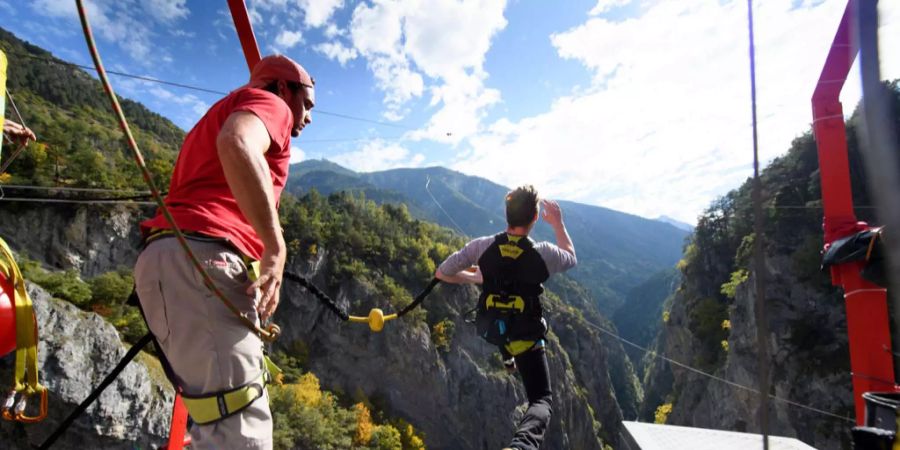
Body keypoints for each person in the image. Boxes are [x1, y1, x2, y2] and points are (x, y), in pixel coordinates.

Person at [133, 55, 314, 450]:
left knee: (212, 423)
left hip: (162, 263)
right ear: (285, 88)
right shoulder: (271, 104)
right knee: (241, 432)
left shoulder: (217, 112)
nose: (309, 116)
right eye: (308, 102)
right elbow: (236, 142)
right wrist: (274, 244)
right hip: (205, 262)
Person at [435, 185, 576, 450]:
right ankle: (520, 446)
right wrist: (558, 224)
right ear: (535, 218)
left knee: (503, 326)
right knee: (541, 401)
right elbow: (571, 257)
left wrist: (475, 276)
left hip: (494, 328)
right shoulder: (543, 253)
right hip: (526, 336)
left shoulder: (482, 246)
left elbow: (442, 273)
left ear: (506, 215)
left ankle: (508, 360)